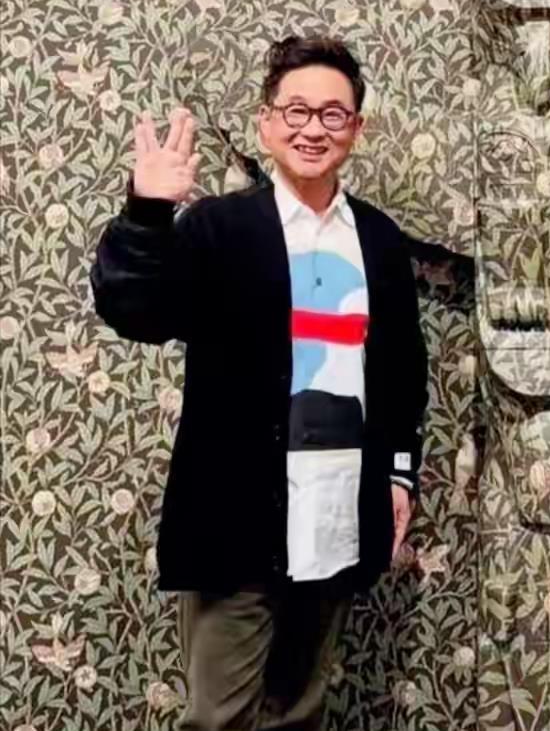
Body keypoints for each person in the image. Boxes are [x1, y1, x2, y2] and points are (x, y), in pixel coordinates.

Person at [91, 35, 428, 731]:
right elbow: (135, 311)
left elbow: (401, 372)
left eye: (332, 114)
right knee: (219, 718)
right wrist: (147, 212)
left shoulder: (379, 239)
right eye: (296, 110)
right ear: (266, 123)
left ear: (356, 128)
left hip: (339, 517)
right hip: (236, 521)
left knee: (299, 714)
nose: (313, 128)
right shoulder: (219, 226)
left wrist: (399, 473)